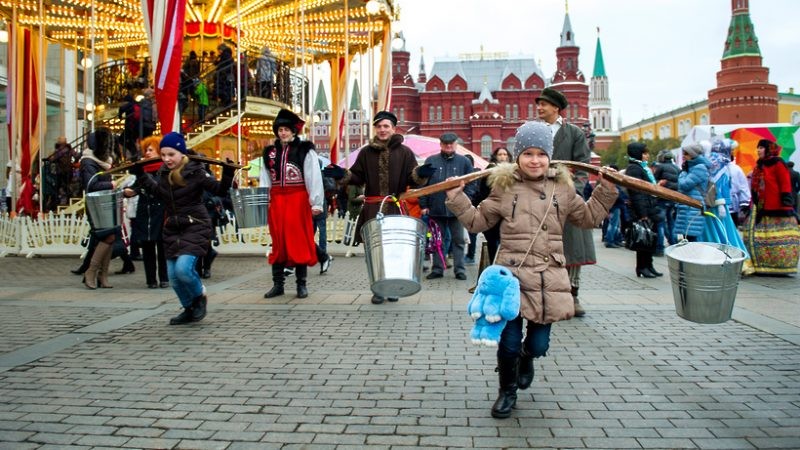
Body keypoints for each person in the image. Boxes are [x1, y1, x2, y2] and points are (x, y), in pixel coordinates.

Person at [444, 121, 618, 419]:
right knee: (508, 343)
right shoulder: (503, 187)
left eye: (541, 154)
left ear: (550, 156)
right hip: (510, 280)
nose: (534, 160)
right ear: (517, 156)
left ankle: (528, 358)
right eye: (528, 154)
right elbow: (476, 222)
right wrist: (457, 198)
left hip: (548, 279)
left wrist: (606, 189)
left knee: (537, 344)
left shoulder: (562, 189)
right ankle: (506, 392)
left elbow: (588, 217)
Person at [322, 110, 434, 304]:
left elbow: (412, 178)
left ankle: (392, 288)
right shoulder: (366, 152)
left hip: (395, 207)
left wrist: (420, 174)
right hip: (373, 208)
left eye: (386, 126)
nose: (382, 130)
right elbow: (357, 176)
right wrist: (343, 174)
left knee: (395, 250)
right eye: (379, 126)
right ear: (375, 129)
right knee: (374, 252)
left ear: (393, 128)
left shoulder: (405, 152)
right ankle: (378, 289)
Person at [130, 132, 235, 324]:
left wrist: (228, 173)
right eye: (163, 155)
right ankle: (189, 308)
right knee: (173, 277)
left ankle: (199, 297)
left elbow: (219, 190)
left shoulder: (196, 171)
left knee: (183, 270)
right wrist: (140, 175)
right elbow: (157, 192)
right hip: (173, 228)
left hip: (195, 225)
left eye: (171, 154)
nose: (167, 159)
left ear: (181, 153)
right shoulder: (163, 173)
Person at [536, 87, 593, 317]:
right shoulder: (532, 131)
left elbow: (583, 166)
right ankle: (542, 295)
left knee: (572, 246)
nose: (539, 108)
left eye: (543, 104)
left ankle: (573, 294)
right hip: (537, 197)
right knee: (539, 248)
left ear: (556, 108)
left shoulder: (574, 133)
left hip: (566, 198)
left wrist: (573, 192)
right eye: (538, 104)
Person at [259, 109, 324, 299]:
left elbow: (313, 177)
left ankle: (301, 285)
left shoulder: (304, 150)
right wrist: (265, 199)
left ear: (294, 131)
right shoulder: (269, 153)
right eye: (280, 129)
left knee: (298, 242)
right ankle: (278, 285)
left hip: (298, 199)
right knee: (278, 242)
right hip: (277, 200)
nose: (283, 133)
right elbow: (265, 179)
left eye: (286, 129)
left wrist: (316, 202)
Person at [419, 132, 476, 281]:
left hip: (457, 210)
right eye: (445, 144)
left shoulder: (464, 162)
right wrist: (424, 204)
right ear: (441, 145)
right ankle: (437, 269)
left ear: (456, 144)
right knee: (437, 240)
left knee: (458, 240)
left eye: (451, 144)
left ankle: (460, 270)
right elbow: (423, 184)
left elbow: (471, 183)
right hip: (435, 208)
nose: (449, 146)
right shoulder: (430, 161)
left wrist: (466, 200)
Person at [744, 139, 800, 275]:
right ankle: (763, 264)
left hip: (778, 207)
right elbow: (756, 186)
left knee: (780, 236)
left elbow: (784, 181)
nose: (758, 150)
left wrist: (786, 198)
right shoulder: (758, 166)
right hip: (761, 208)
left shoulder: (778, 163)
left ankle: (781, 264)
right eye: (758, 148)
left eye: (761, 148)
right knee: (759, 237)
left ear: (769, 149)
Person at [123, 135, 169, 289]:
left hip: (161, 211)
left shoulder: (165, 169)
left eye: (151, 150)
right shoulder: (142, 170)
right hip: (145, 211)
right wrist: (128, 191)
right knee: (148, 246)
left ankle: (164, 278)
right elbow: (136, 187)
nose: (147, 152)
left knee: (162, 247)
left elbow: (159, 188)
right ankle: (151, 280)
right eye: (146, 150)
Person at [79, 127, 119, 289]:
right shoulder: (88, 162)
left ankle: (102, 275)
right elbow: (90, 185)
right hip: (96, 204)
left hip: (104, 202)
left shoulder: (98, 162)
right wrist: (111, 184)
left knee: (110, 237)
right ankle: (92, 271)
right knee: (107, 237)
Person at [627, 143, 664, 278]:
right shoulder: (634, 169)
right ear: (637, 154)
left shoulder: (641, 168)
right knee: (643, 239)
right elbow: (636, 192)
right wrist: (642, 213)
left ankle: (649, 265)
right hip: (643, 210)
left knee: (650, 238)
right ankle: (642, 267)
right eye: (644, 153)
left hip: (648, 208)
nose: (647, 155)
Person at [671, 143, 711, 242]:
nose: (684, 156)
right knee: (688, 237)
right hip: (688, 206)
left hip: (693, 207)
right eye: (683, 153)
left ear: (693, 155)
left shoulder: (699, 168)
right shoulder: (692, 168)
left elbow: (684, 185)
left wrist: (682, 174)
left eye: (686, 154)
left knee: (692, 238)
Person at [653, 150, 679, 255]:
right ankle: (673, 244)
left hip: (662, 199)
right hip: (672, 199)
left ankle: (660, 247)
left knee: (660, 224)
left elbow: (655, 181)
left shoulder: (660, 167)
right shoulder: (677, 168)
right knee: (671, 222)